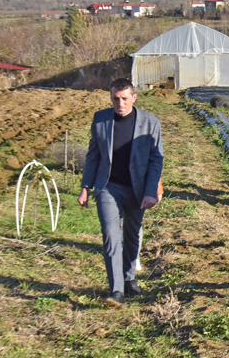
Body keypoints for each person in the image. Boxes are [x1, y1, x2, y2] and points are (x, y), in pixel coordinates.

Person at [79, 78, 164, 308]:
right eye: (116, 99)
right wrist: (86, 187)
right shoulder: (101, 120)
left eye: (125, 98)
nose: (120, 103)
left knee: (132, 235)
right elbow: (93, 155)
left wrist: (151, 191)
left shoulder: (150, 122)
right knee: (111, 235)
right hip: (108, 186)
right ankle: (116, 290)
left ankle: (129, 278)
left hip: (138, 188)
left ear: (134, 98)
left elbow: (157, 160)